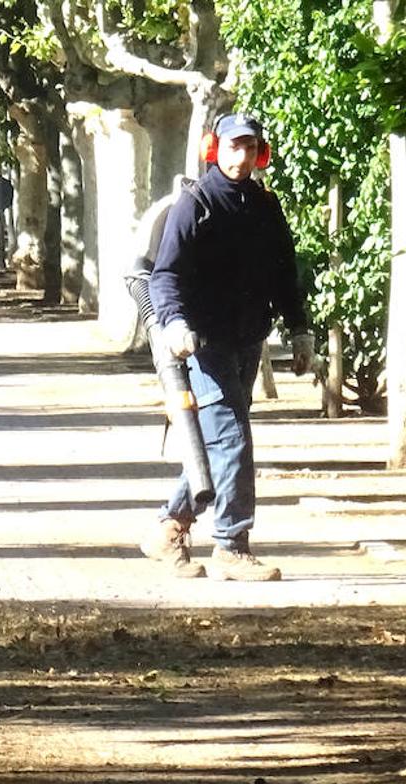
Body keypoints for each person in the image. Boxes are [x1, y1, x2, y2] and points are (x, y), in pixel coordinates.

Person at [140, 112, 314, 581]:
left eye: (250, 148)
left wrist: (300, 329)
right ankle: (231, 545)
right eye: (233, 147)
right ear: (215, 149)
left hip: (247, 339)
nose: (241, 157)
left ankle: (169, 528)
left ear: (261, 153)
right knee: (233, 438)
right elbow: (165, 275)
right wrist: (175, 323)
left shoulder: (265, 207)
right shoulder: (195, 204)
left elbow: (283, 275)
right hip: (202, 343)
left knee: (219, 441)